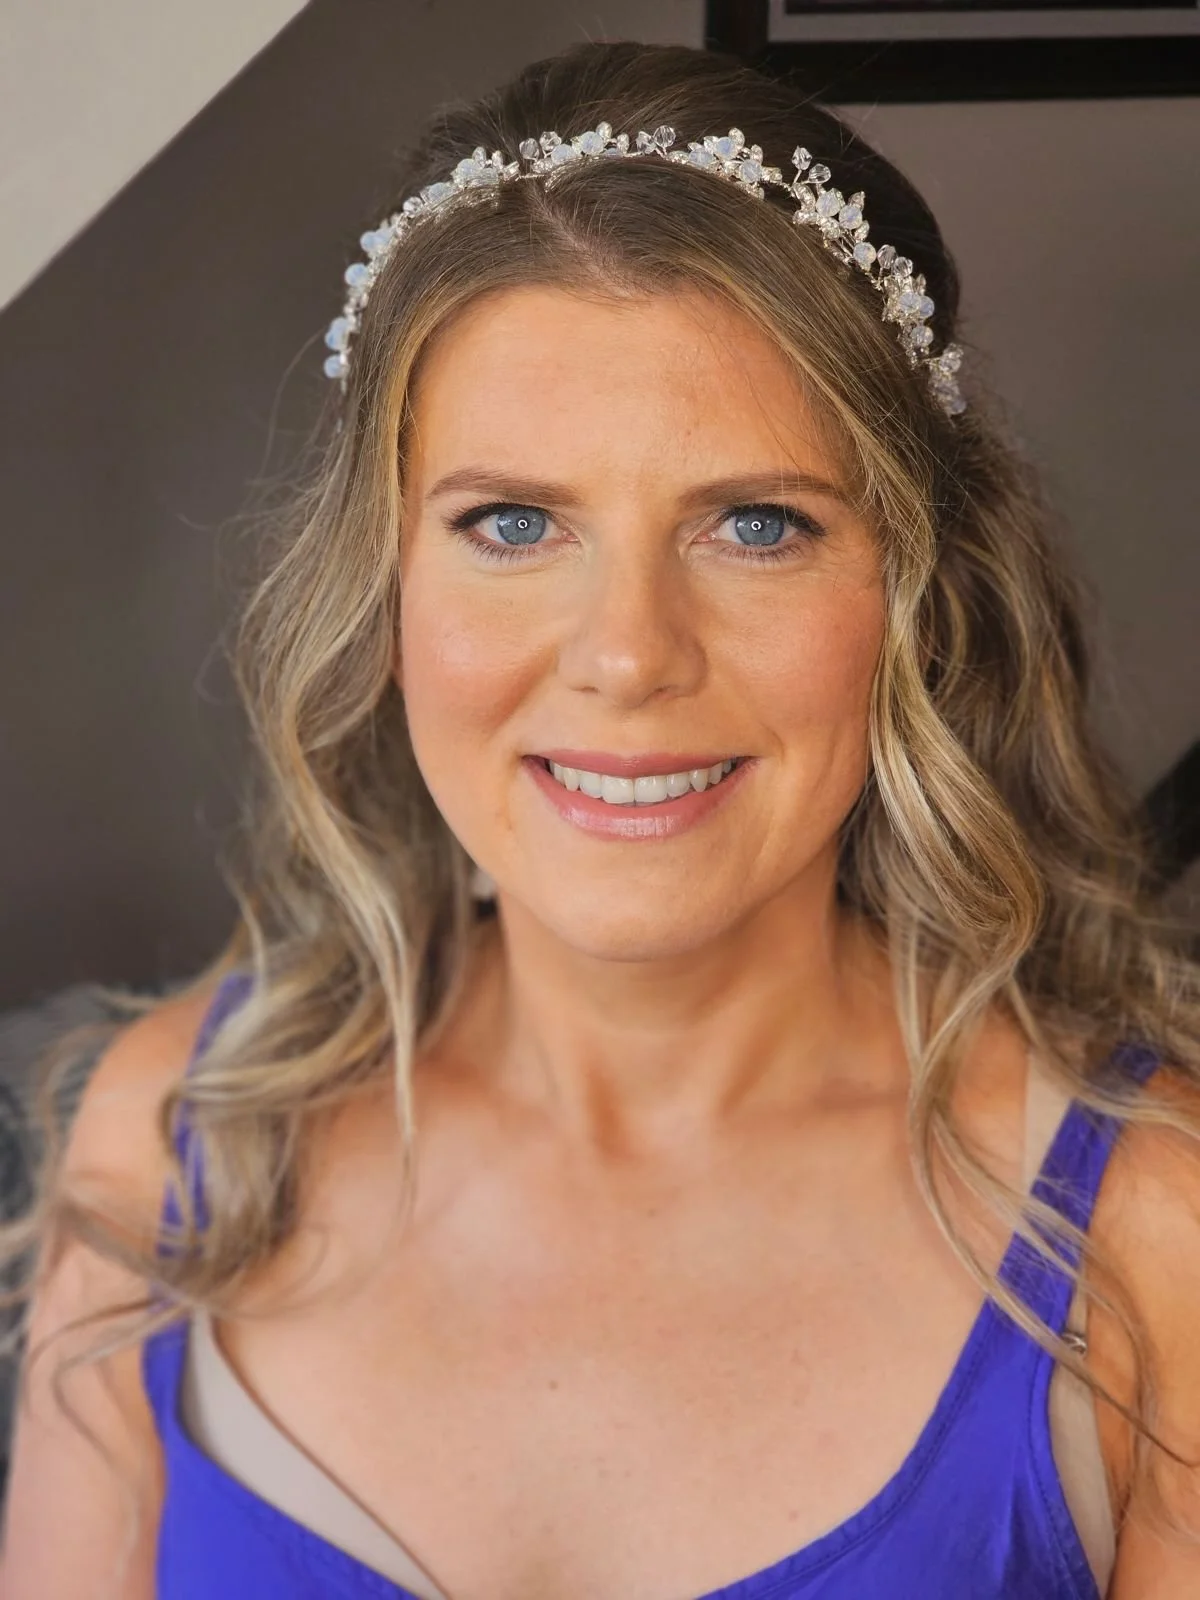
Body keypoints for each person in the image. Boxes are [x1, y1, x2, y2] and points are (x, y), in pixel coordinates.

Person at [2, 37, 1198, 1600]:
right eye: (512, 523)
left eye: (756, 524)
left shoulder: (1152, 1232)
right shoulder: (176, 1149)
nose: (629, 653)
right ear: (387, 588)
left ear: (917, 591)